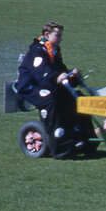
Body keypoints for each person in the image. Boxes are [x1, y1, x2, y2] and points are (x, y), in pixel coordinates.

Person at [14, 22, 93, 159]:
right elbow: (42, 73)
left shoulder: (54, 50)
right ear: (47, 35)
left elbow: (60, 70)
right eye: (58, 35)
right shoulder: (37, 51)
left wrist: (71, 75)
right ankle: (61, 148)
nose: (61, 38)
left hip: (47, 84)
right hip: (31, 87)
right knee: (51, 101)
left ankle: (83, 138)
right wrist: (58, 77)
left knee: (76, 98)